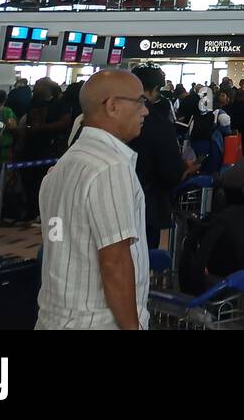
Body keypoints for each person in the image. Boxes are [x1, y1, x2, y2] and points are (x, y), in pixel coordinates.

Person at [37, 70, 150, 330]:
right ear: (112, 106)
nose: (145, 111)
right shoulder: (110, 167)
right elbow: (115, 261)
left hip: (55, 318)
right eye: (140, 102)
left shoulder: (65, 164)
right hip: (98, 322)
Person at [128, 65, 189, 250]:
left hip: (109, 208)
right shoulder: (158, 123)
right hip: (146, 207)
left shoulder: (101, 118)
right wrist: (183, 170)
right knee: (140, 261)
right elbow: (170, 173)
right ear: (154, 90)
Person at [17, 77, 70, 222]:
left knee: (44, 182)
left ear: (47, 88)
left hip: (49, 149)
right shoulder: (33, 103)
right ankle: (31, 210)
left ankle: (42, 212)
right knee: (29, 181)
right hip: (31, 149)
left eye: (39, 86)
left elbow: (64, 123)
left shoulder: (59, 104)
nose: (35, 88)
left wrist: (42, 128)